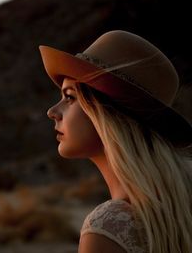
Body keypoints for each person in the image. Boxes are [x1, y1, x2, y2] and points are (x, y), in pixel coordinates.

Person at [39, 30, 192, 253]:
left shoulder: (109, 228)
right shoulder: (179, 206)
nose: (52, 111)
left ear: (108, 113)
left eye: (70, 97)